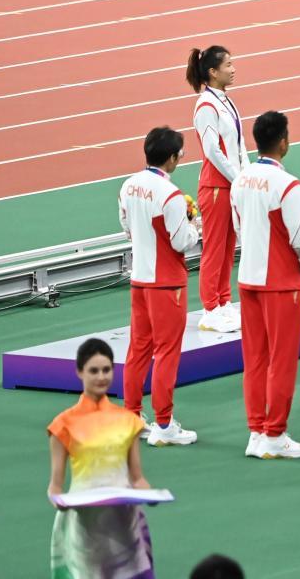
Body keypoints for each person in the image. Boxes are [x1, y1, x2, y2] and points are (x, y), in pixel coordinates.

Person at [231, 111, 300, 459]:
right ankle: (276, 433)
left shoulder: (240, 180)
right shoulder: (287, 184)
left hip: (248, 277)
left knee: (255, 358)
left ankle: (256, 432)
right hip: (279, 282)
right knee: (281, 360)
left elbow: (238, 227)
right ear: (283, 142)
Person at [118, 125, 199, 446]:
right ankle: (164, 424)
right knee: (167, 352)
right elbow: (181, 242)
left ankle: (131, 417)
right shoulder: (171, 195)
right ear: (171, 158)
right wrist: (194, 225)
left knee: (138, 349)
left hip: (140, 278)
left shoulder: (128, 185)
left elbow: (126, 227)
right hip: (166, 283)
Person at [47, 338, 155, 578]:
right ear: (79, 372)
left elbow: (137, 477)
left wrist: (149, 495)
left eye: (106, 370)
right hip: (85, 525)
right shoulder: (63, 424)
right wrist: (59, 501)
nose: (101, 377)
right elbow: (55, 486)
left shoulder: (128, 421)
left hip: (124, 522)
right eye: (93, 371)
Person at [187, 45, 249, 333]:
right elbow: (212, 149)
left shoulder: (227, 101)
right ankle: (209, 307)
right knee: (214, 248)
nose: (233, 69)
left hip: (232, 184)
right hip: (215, 185)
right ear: (213, 72)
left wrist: (247, 176)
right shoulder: (205, 106)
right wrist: (237, 177)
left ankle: (224, 301)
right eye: (228, 65)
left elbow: (239, 145)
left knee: (228, 247)